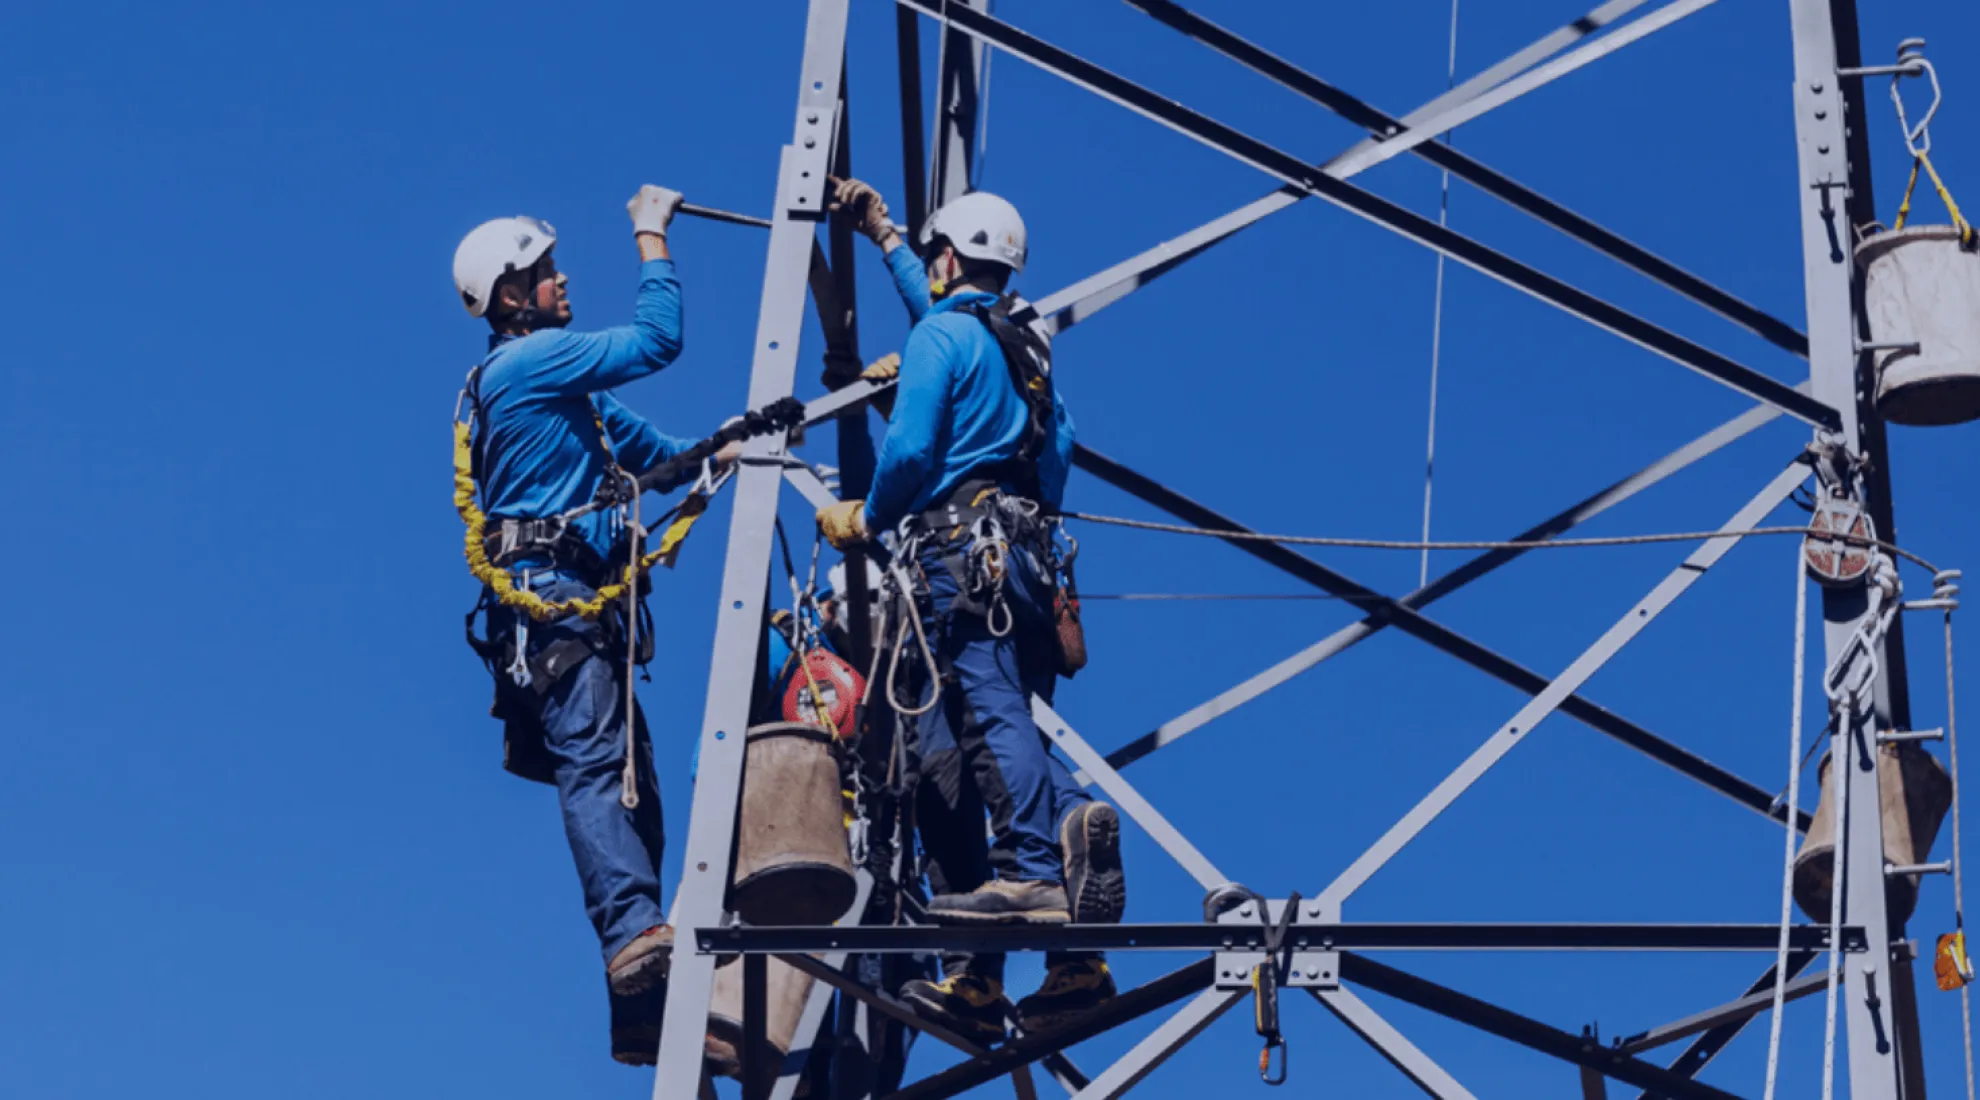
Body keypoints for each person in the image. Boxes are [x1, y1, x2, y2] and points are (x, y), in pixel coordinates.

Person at [816, 177, 1127, 1040]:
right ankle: (1048, 958)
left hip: (964, 561)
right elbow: (1056, 459)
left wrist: (866, 518)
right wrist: (885, 240)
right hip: (1027, 562)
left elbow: (912, 446)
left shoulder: (945, 338)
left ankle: (1037, 867)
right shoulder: (1025, 348)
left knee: (990, 725)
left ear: (950, 258)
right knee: (959, 760)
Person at [454, 185, 727, 1065]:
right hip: (554, 607)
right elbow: (657, 341)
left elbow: (651, 455)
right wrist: (652, 237)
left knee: (633, 792)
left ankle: (642, 998)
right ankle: (631, 940)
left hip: (577, 614)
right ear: (509, 298)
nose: (561, 280)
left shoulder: (564, 390)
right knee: (597, 771)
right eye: (544, 273)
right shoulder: (529, 367)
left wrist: (728, 447)